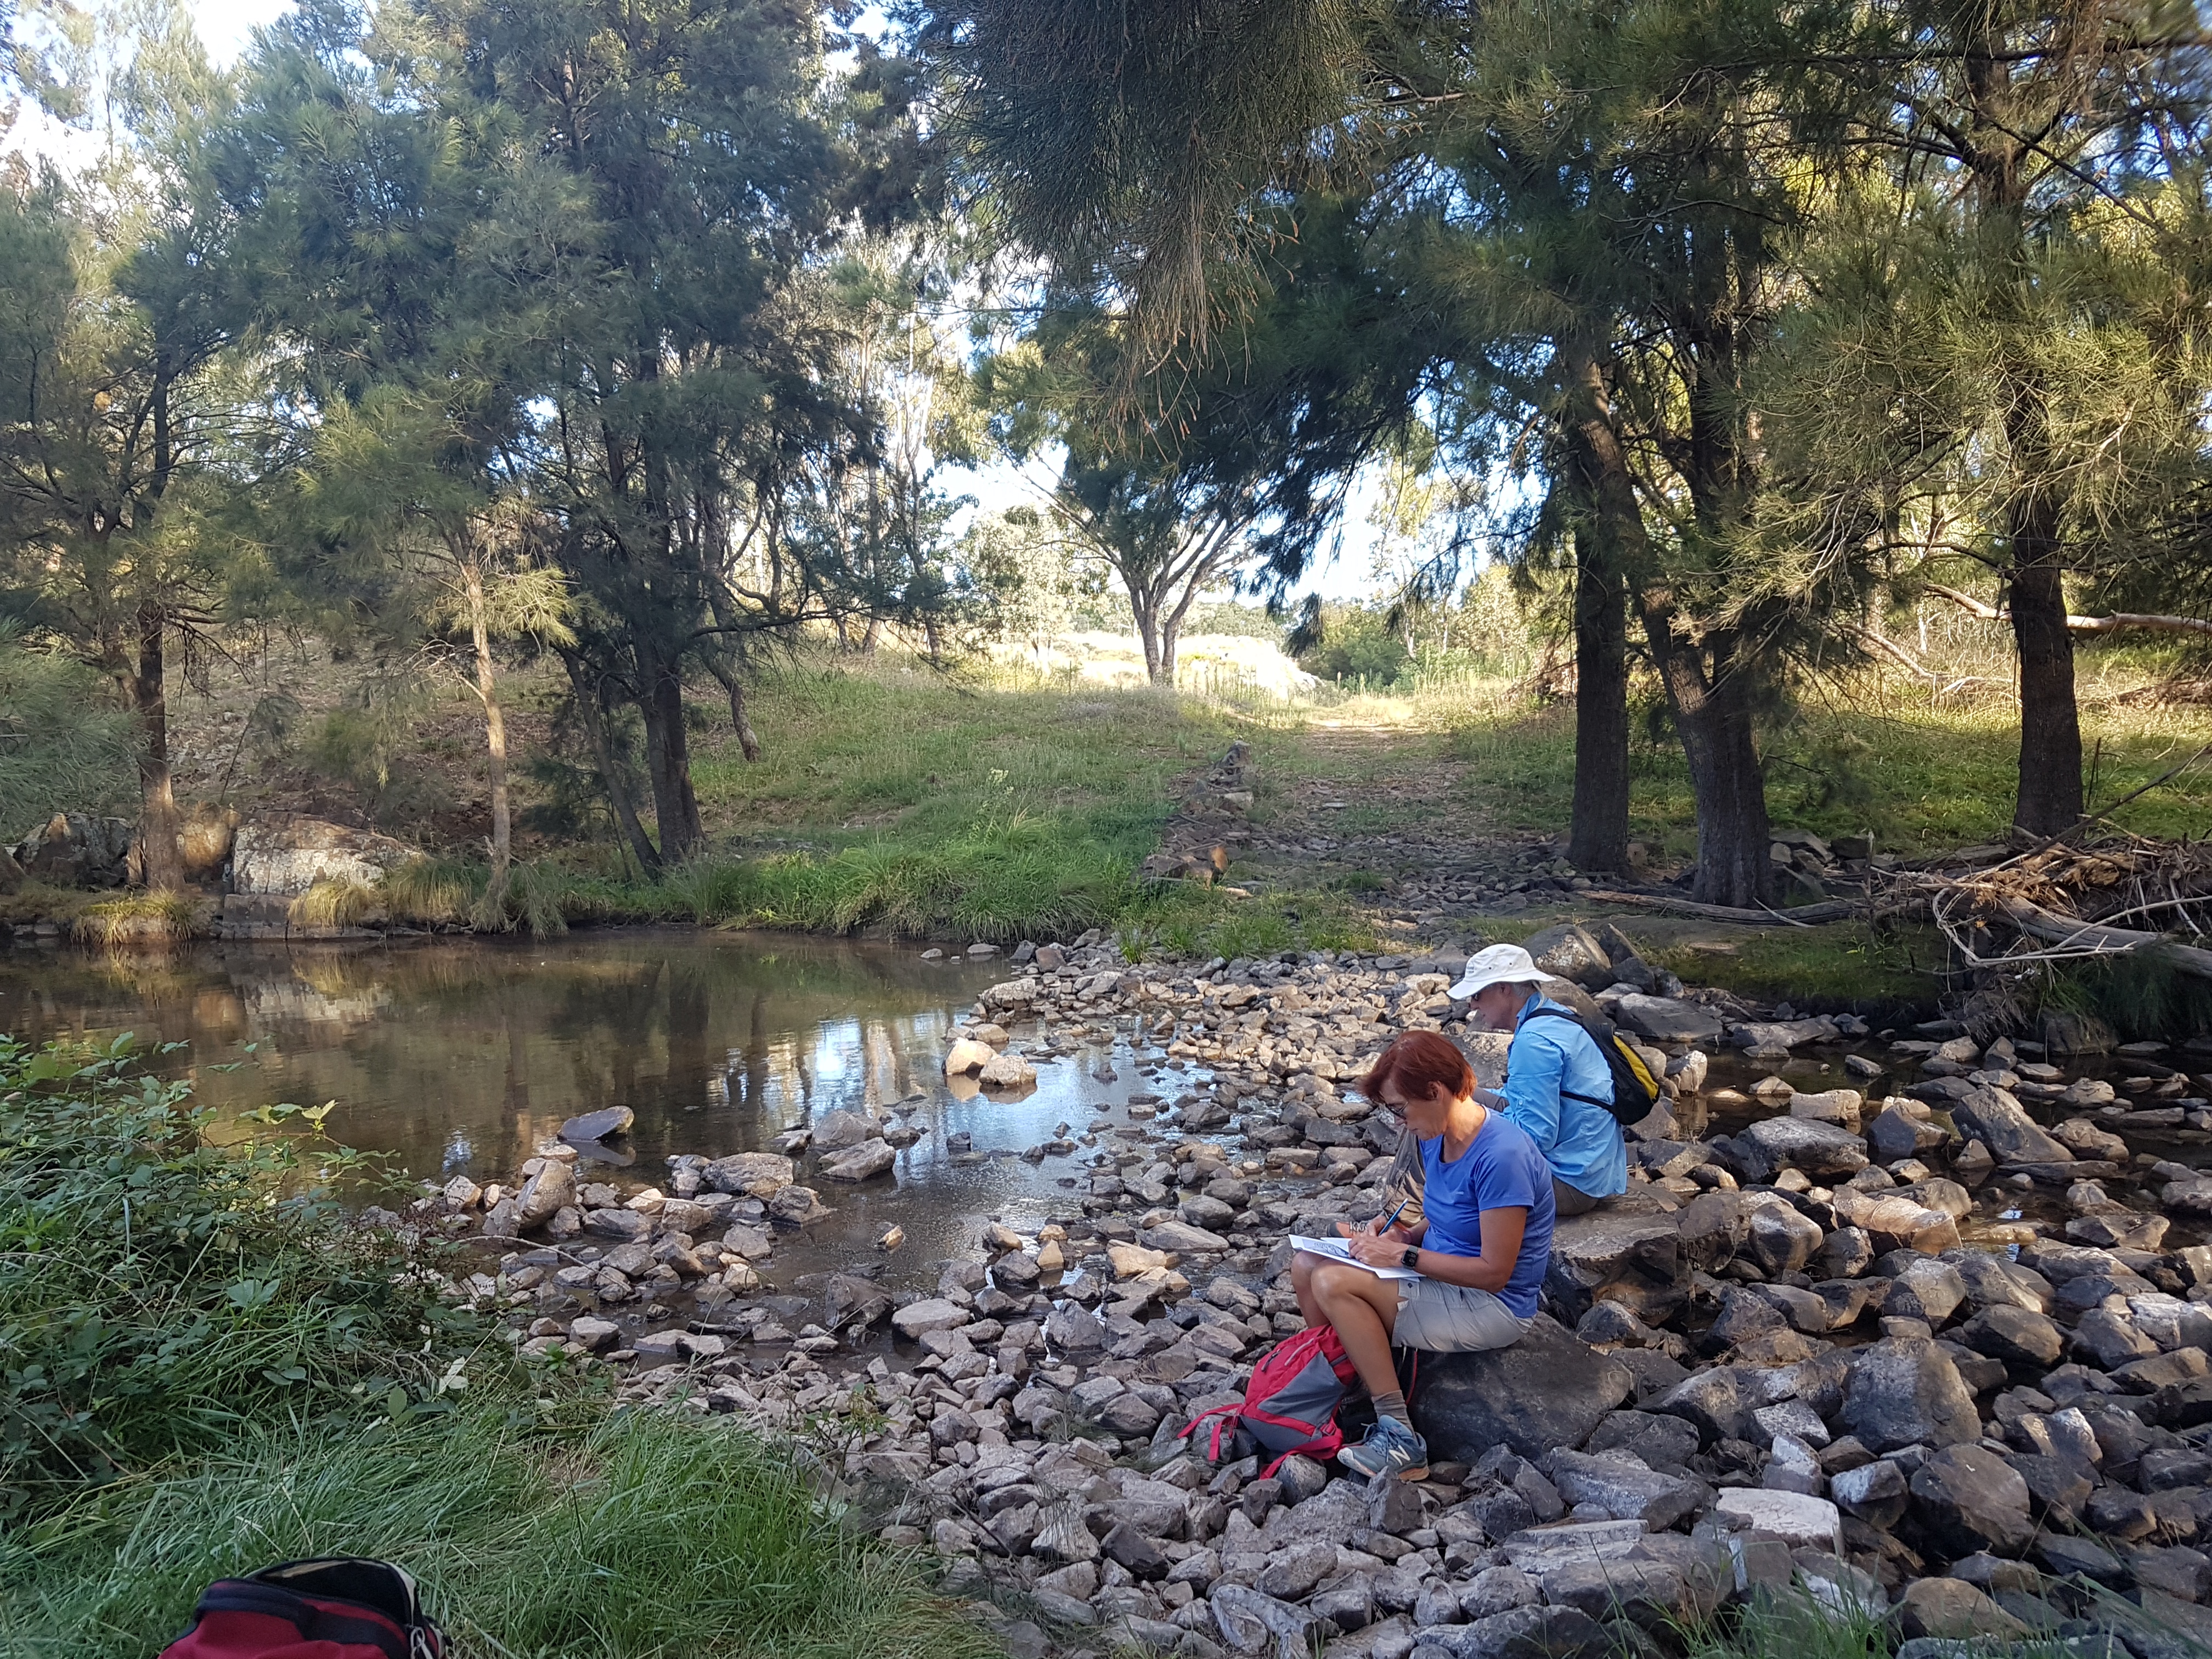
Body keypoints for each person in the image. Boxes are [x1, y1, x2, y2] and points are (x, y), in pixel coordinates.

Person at [1292, 1030, 1556, 1482]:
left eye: (1400, 1110)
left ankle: (1400, 1438)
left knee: (1333, 1282)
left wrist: (1401, 1259)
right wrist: (1401, 1234)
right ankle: (1349, 1383)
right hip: (1440, 1278)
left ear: (1436, 1092)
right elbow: (1445, 1215)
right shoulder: (1438, 1135)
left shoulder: (1503, 1157)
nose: (1399, 1123)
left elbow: (1495, 1273)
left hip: (1493, 1305)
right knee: (1305, 1266)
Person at [1449, 943, 1627, 1215]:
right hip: (1590, 1169)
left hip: (1569, 1183)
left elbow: (1536, 1136)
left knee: (1439, 1119)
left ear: (1504, 989)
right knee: (1446, 1096)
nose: (1472, 1004)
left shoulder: (1535, 1042)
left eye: (1476, 994)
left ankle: (1400, 1219)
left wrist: (1469, 1121)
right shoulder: (1552, 1016)